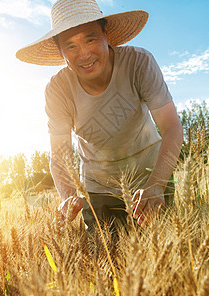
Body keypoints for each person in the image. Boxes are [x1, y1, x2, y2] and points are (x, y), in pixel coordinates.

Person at [16, 0, 183, 234]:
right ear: (60, 50)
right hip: (98, 190)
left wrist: (156, 185)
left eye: (90, 39)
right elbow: (60, 155)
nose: (84, 54)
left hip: (151, 176)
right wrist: (68, 196)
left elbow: (172, 127)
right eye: (71, 46)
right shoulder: (57, 90)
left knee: (166, 256)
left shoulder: (139, 63)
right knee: (106, 261)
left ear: (106, 34)